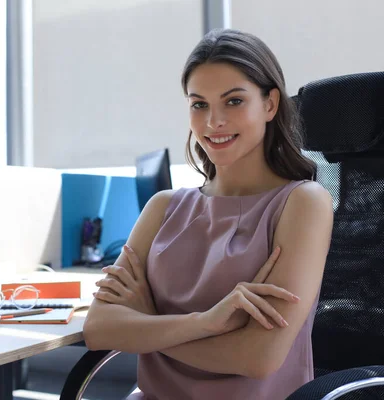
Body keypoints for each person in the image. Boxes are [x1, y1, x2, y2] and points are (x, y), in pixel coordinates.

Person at [82, 29, 334, 400]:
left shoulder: (302, 202)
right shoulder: (163, 207)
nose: (213, 121)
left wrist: (147, 325)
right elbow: (99, 328)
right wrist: (205, 323)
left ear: (269, 104)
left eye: (233, 101)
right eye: (199, 104)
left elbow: (258, 357)